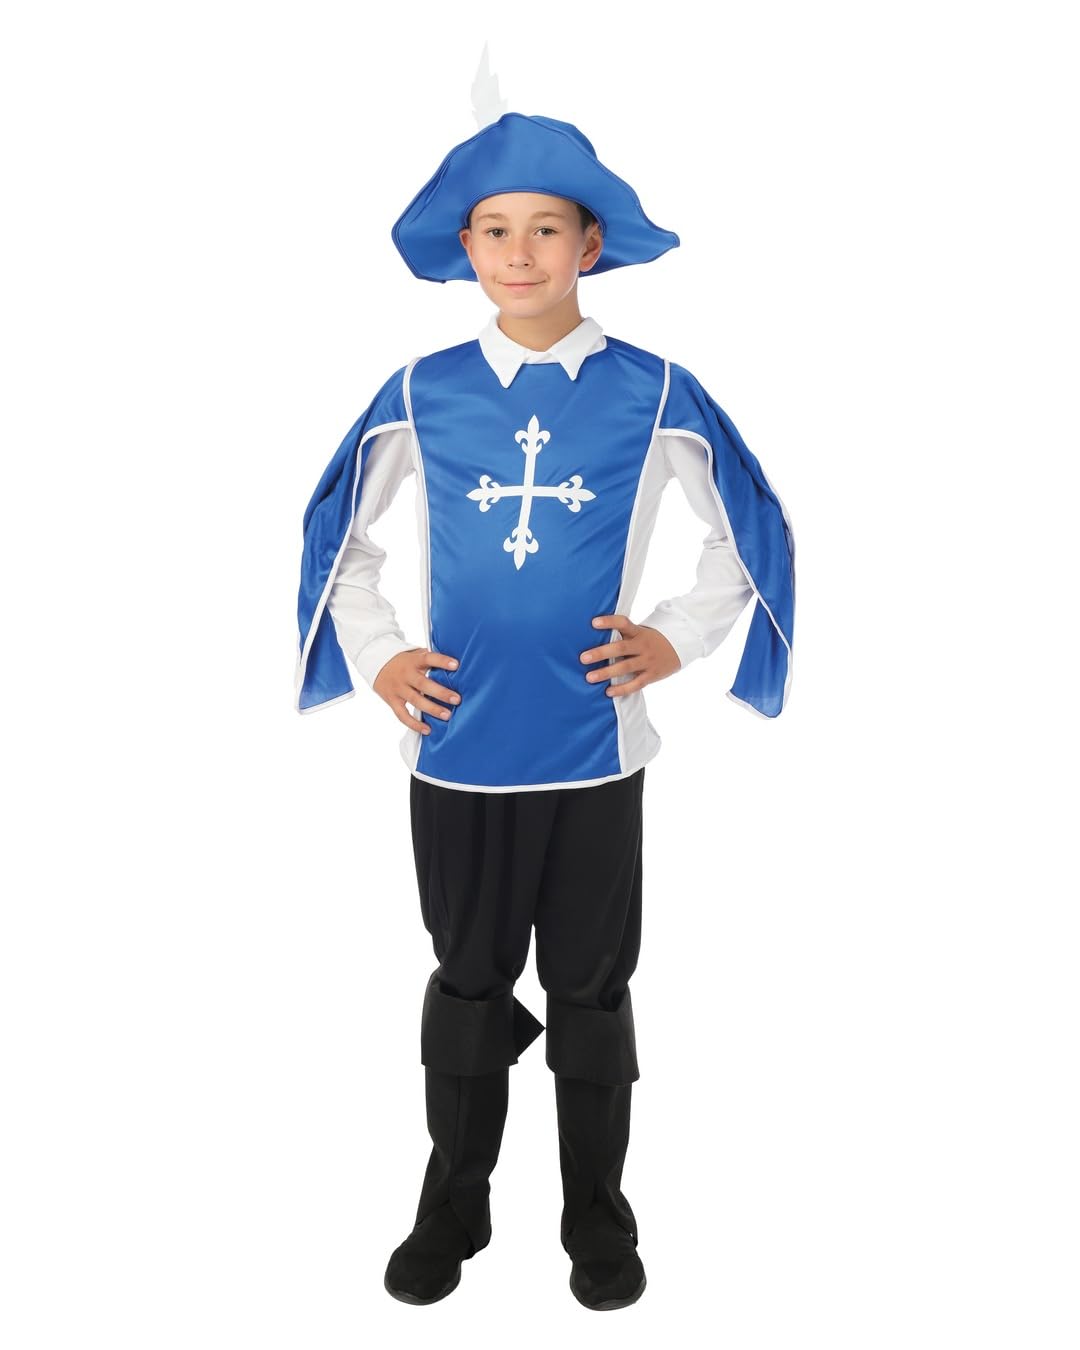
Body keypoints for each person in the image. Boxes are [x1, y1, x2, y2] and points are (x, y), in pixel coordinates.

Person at [294, 110, 795, 1311]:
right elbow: (338, 540)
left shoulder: (652, 391)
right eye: (495, 230)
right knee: (467, 980)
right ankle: (454, 1203)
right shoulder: (422, 391)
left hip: (592, 753)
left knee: (590, 985)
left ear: (590, 245)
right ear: (466, 247)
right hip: (457, 749)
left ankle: (596, 1216)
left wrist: (675, 636)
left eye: (547, 230)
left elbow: (749, 532)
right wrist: (380, 657)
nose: (520, 253)